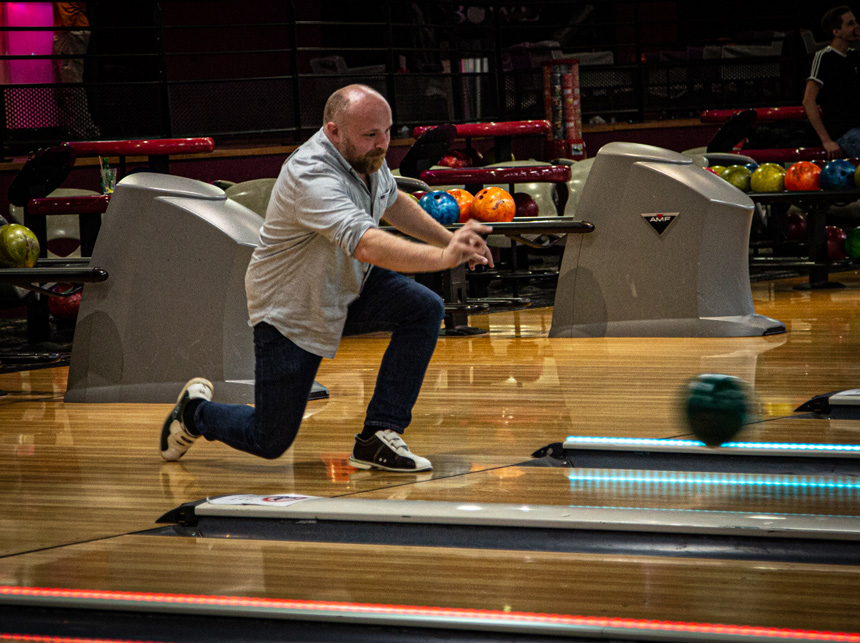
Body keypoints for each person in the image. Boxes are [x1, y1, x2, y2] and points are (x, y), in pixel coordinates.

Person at [159, 84, 494, 473]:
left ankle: (378, 435)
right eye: (371, 134)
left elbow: (391, 200)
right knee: (268, 440)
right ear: (334, 131)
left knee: (423, 308)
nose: (382, 143)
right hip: (293, 306)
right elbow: (366, 245)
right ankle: (195, 414)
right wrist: (442, 257)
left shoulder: (366, 153)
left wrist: (449, 237)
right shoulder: (311, 175)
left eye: (387, 131)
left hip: (348, 285)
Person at [802, 5, 860, 160]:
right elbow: (808, 101)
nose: (856, 27)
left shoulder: (854, 56)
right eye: (850, 24)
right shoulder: (824, 57)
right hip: (845, 131)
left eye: (855, 22)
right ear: (836, 32)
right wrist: (826, 140)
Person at [52, 2, 100, 138]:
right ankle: (85, 127)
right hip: (68, 28)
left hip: (70, 28)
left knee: (70, 82)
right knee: (65, 85)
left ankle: (82, 129)